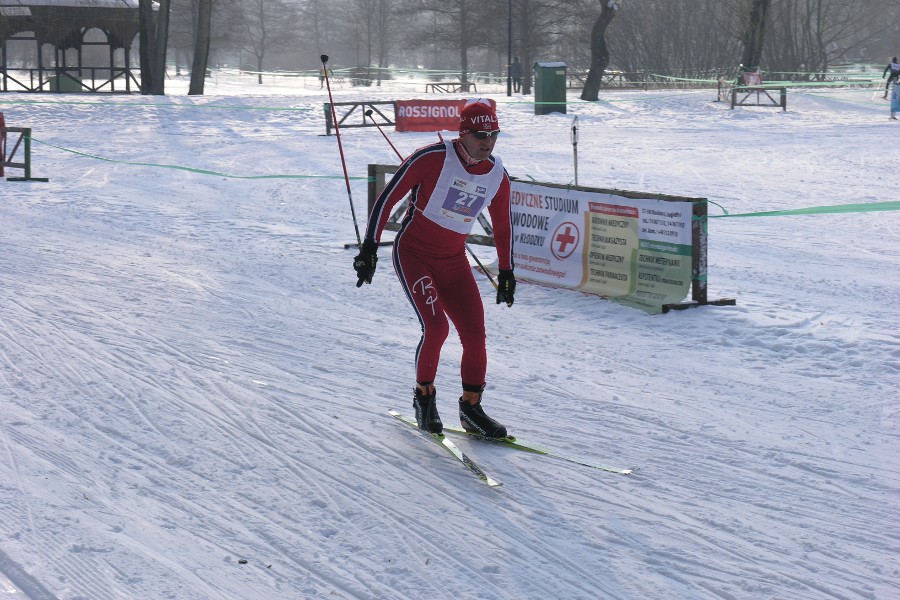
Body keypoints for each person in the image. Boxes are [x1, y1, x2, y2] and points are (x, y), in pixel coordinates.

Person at [353, 99, 515, 438]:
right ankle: (424, 397)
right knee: (437, 328)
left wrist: (506, 271)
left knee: (474, 334)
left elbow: (503, 225)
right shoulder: (433, 157)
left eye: (494, 134)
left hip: (454, 261)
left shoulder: (498, 175)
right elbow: (388, 198)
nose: (488, 141)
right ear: (463, 133)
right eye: (481, 134)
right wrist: (370, 248)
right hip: (415, 255)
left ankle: (471, 408)